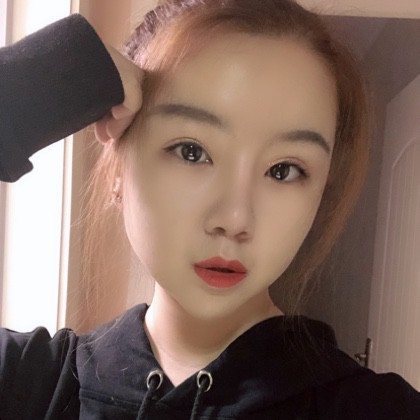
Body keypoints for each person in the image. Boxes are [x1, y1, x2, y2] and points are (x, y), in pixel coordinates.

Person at [0, 1, 419, 419]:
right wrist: (60, 72)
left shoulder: (378, 409)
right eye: (191, 151)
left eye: (283, 170)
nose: (234, 220)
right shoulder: (27, 381)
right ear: (118, 169)